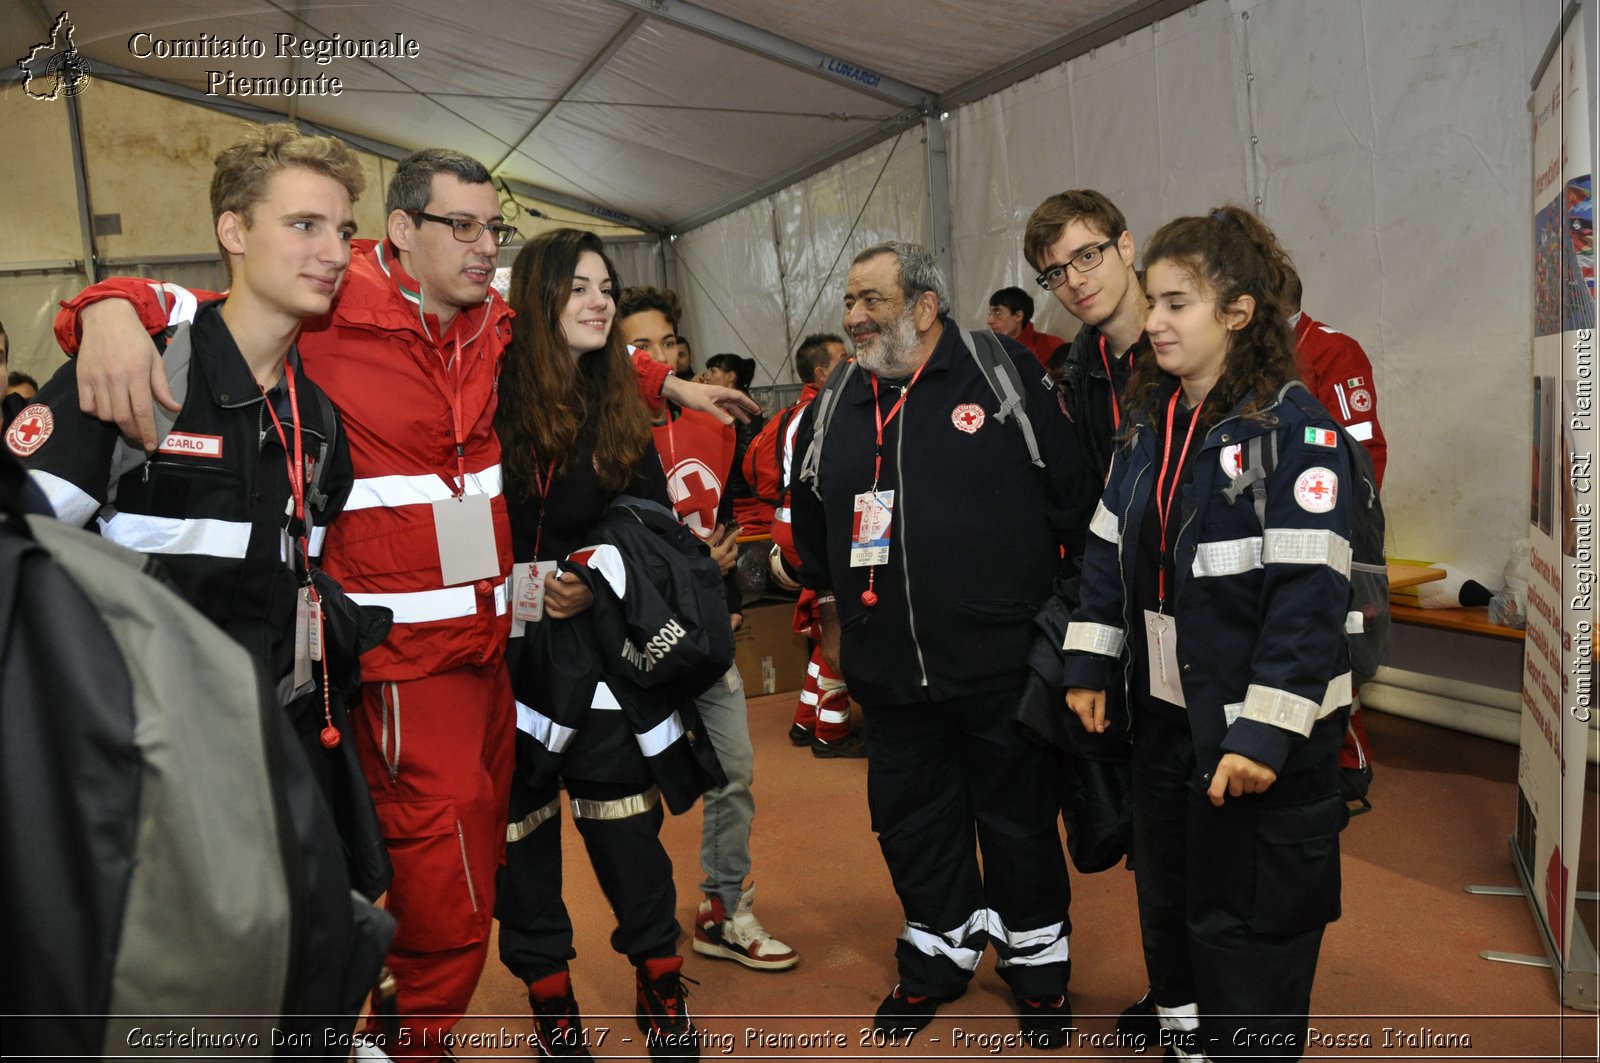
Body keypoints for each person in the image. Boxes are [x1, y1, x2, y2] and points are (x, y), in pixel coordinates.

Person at [54, 154, 756, 1061]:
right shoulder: (331, 301)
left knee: (473, 863)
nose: (482, 246)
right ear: (400, 231)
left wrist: (671, 384)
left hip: (492, 657)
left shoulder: (490, 323)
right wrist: (104, 307)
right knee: (445, 892)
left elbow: (571, 334)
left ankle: (389, 1032)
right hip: (394, 669)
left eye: (491, 228)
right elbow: (202, 308)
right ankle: (403, 1040)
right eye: (459, 226)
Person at [1062, 206, 1353, 1063]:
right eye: (1151, 301)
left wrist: (1264, 731)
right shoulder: (1149, 423)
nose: (1151, 321)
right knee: (1172, 904)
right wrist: (1088, 659)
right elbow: (1108, 547)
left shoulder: (1296, 434)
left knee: (1249, 927)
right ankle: (1190, 1044)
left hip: (1256, 738)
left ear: (1238, 311)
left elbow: (1310, 602)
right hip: (1164, 723)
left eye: (1176, 302)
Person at [789, 242, 1078, 1045]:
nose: (852, 317)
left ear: (924, 305)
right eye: (848, 301)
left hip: (1001, 664)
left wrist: (1067, 635)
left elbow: (1073, 498)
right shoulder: (837, 398)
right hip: (887, 674)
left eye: (871, 300)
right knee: (913, 824)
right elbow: (812, 525)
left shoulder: (1001, 374)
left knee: (1018, 822)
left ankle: (1038, 970)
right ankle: (936, 958)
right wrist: (838, 624)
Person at [11, 121, 357, 739]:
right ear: (234, 231)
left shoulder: (319, 423)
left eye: (343, 231)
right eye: (305, 225)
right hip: (119, 751)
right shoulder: (133, 373)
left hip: (258, 750)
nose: (334, 253)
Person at [493, 229, 704, 1060]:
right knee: (521, 848)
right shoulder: (485, 392)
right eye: (578, 286)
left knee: (628, 838)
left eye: (606, 286)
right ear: (537, 301)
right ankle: (553, 1009)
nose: (600, 300)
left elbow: (653, 525)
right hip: (502, 662)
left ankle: (660, 988)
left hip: (602, 659)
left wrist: (597, 570)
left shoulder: (618, 400)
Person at [618, 287, 799, 974]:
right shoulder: (600, 428)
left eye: (669, 343)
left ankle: (724, 909)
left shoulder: (717, 424)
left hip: (703, 630)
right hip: (630, 642)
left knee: (734, 772)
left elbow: (718, 523)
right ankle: (646, 938)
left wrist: (721, 590)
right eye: (642, 348)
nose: (661, 358)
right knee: (631, 793)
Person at [1282, 264, 1388, 799]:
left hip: (1332, 527)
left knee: (1333, 648)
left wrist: (1336, 528)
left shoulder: (1333, 350)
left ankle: (1350, 765)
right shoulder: (1250, 354)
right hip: (1276, 527)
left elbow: (1364, 453)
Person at [743, 332, 863, 758]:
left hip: (786, 526)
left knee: (820, 626)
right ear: (821, 371)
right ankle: (831, 734)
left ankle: (805, 720)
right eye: (843, 358)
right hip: (810, 533)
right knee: (841, 629)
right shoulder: (828, 410)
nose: (852, 362)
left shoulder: (790, 412)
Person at [1022, 191, 1150, 551]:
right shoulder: (1078, 369)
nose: (1075, 281)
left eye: (1088, 256)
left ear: (1125, 247)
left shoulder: (1190, 346)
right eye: (1056, 273)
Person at [702, 353, 768, 531]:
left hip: (740, 493)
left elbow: (745, 454)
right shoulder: (718, 405)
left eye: (713, 370)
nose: (707, 376)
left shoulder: (745, 407)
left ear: (731, 377)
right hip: (726, 489)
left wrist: (712, 453)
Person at [986, 286, 1064, 370]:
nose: (989, 321)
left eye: (997, 313)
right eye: (990, 314)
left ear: (1018, 315)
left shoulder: (1051, 345)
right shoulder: (988, 352)